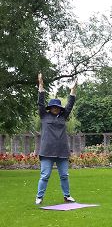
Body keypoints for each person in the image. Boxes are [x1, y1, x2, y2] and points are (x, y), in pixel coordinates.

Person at [35, 73, 77, 205]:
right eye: (53, 107)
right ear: (50, 108)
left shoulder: (63, 117)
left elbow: (70, 104)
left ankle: (67, 196)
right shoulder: (44, 116)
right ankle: (39, 197)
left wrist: (73, 90)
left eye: (58, 107)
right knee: (45, 175)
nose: (55, 109)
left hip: (62, 151)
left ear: (60, 109)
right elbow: (40, 103)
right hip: (47, 151)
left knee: (64, 175)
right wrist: (41, 85)